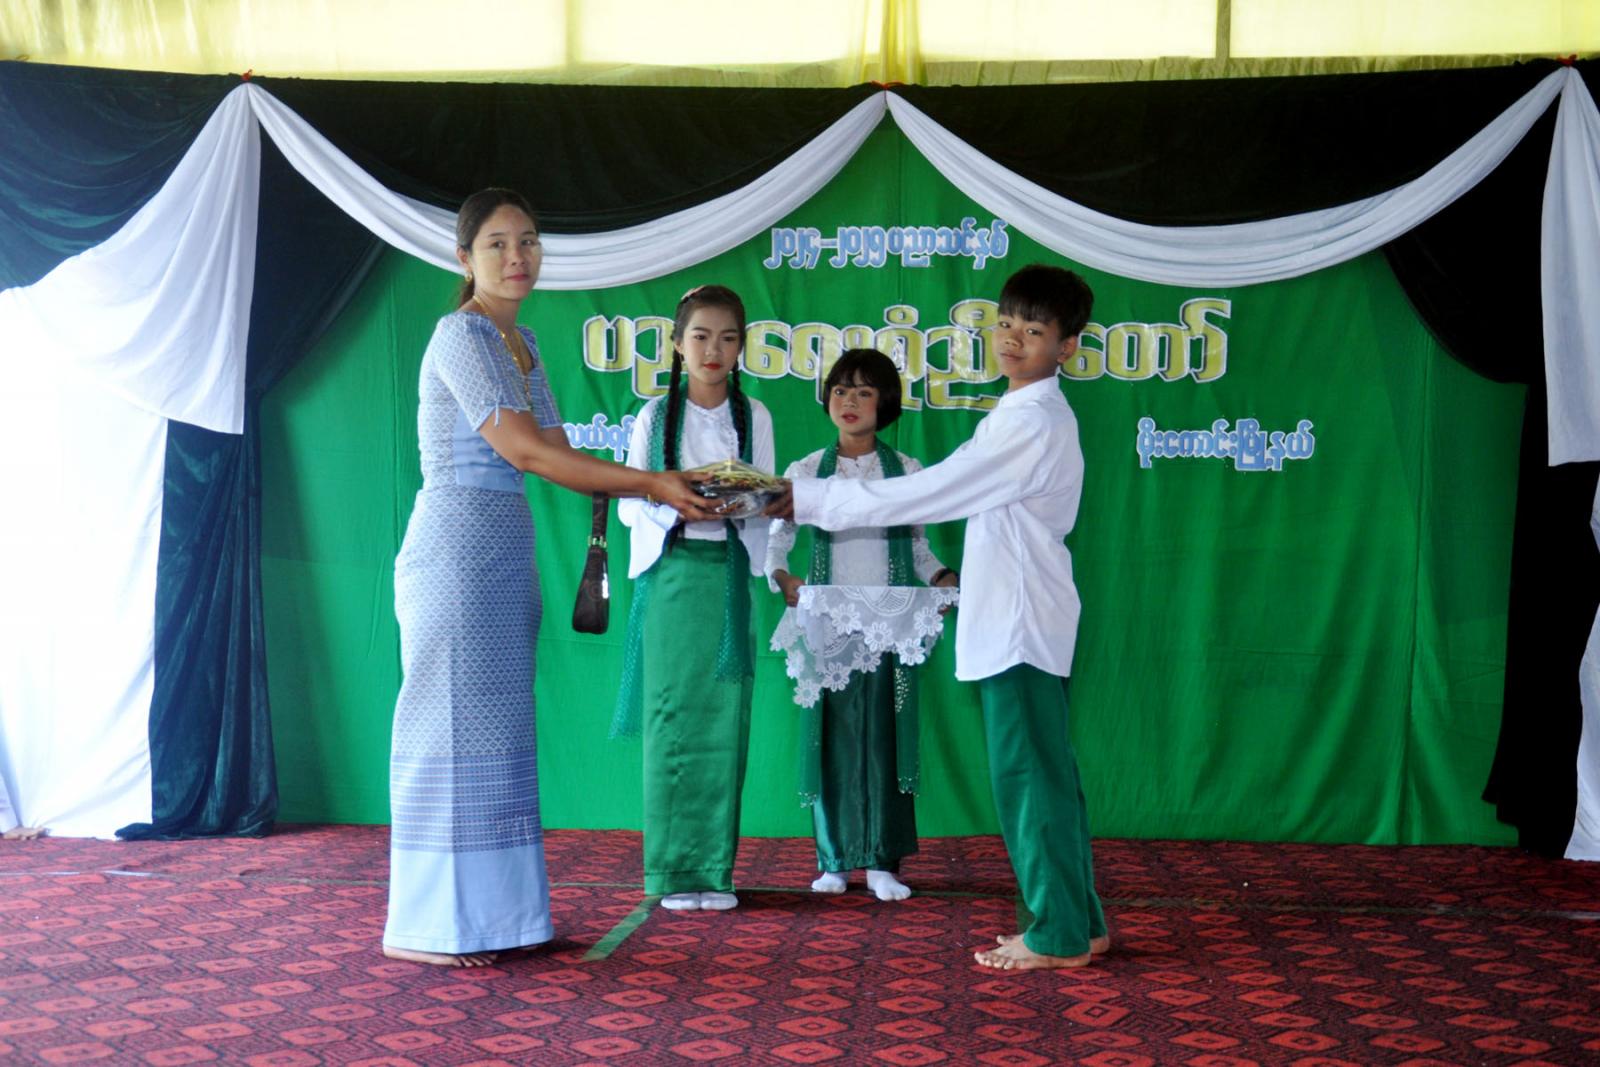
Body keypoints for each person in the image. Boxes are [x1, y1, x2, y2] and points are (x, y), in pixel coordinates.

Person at [384, 188, 713, 968]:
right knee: (448, 732)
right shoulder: (460, 334)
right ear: (464, 258)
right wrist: (654, 484)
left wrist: (662, 480)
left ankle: (499, 918)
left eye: (528, 240)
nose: (517, 257)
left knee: (497, 736)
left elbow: (561, 450)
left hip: (505, 550)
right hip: (454, 552)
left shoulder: (521, 340)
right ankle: (429, 928)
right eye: (497, 244)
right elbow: (528, 454)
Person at [777, 264, 1111, 970]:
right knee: (1045, 774)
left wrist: (806, 499)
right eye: (1006, 323)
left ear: (1067, 346)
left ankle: (1057, 935)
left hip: (1021, 618)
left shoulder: (1031, 421)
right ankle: (1078, 923)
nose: (1012, 339)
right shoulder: (1018, 413)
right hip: (1020, 612)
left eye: (1033, 330)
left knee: (1030, 778)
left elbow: (926, 494)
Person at [765, 348, 957, 902]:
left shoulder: (907, 473)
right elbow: (777, 542)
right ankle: (834, 859)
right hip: (829, 619)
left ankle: (881, 862)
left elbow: (917, 549)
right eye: (841, 390)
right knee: (831, 737)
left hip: (889, 622)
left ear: (886, 403)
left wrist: (940, 575)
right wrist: (782, 577)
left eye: (865, 392)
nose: (850, 401)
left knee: (884, 737)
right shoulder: (805, 472)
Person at [615, 284, 776, 912]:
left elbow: (769, 501)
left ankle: (715, 871)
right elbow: (628, 505)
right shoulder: (653, 417)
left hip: (730, 575)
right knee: (671, 719)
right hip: (673, 574)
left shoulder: (755, 416)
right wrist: (675, 502)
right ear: (678, 345)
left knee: (726, 720)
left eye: (728, 338)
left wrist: (743, 502)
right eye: (701, 336)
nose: (714, 350)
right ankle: (672, 872)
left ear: (742, 347)